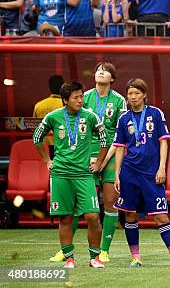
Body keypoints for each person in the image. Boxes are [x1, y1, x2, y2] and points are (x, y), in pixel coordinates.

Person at [33, 81, 108, 269]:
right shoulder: (53, 117)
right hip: (61, 175)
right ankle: (69, 258)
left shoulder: (90, 117)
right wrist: (47, 161)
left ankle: (95, 258)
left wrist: (98, 162)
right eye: (76, 97)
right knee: (66, 217)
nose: (80, 100)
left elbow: (105, 139)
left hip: (84, 175)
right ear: (65, 100)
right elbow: (37, 138)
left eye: (82, 96)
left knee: (92, 216)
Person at [113, 78, 170, 268]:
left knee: (161, 215)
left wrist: (162, 167)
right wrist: (117, 174)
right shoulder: (123, 118)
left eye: (137, 93)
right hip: (129, 172)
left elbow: (163, 141)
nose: (133, 97)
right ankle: (135, 258)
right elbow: (120, 148)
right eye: (130, 94)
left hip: (152, 173)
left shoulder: (155, 113)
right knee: (130, 215)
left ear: (144, 95)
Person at [33, 74, 64, 158]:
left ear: (49, 88)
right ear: (63, 88)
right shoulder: (67, 106)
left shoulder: (39, 105)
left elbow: (34, 126)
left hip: (43, 146)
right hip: (62, 145)